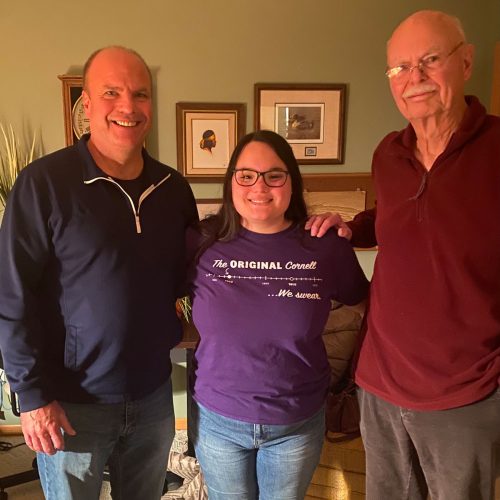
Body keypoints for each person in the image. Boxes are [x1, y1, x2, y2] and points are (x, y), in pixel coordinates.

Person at [313, 10, 500, 499]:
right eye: (399, 68)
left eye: (429, 60)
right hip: (380, 382)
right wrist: (352, 227)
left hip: (465, 393)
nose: (413, 79)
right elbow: (397, 216)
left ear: (465, 62)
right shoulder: (387, 154)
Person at [0, 46, 198, 499]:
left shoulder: (173, 188)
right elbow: (11, 296)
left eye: (141, 94)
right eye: (111, 93)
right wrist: (31, 398)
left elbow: (194, 273)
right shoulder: (44, 183)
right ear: (86, 105)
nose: (128, 107)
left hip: (152, 396)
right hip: (70, 404)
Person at [186, 130, 369, 499]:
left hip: (295, 423)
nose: (260, 186)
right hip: (219, 420)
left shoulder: (325, 245)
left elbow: (365, 304)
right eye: (246, 175)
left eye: (274, 175)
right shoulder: (200, 243)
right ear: (231, 182)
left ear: (292, 182)